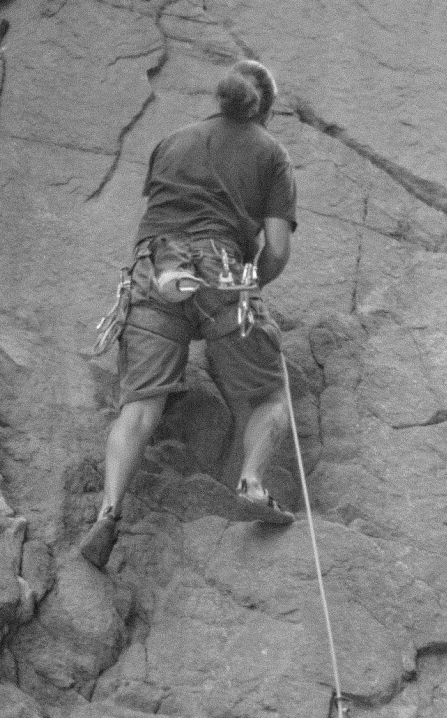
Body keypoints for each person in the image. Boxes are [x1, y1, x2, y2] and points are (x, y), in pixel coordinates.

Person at [82, 57, 298, 569]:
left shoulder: (171, 142)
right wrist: (252, 285)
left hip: (154, 271)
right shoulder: (271, 154)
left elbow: (161, 211)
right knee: (268, 395)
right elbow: (277, 249)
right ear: (264, 108)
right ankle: (251, 483)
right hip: (222, 271)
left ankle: (108, 514)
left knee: (139, 405)